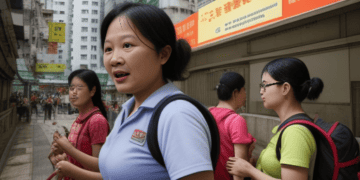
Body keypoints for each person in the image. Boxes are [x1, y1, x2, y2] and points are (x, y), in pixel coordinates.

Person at [55, 2, 215, 179]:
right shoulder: (128, 110)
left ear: (163, 54)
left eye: (127, 45)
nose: (114, 59)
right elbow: (115, 172)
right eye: (108, 49)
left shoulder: (177, 116)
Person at [226, 58, 323, 180]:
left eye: (265, 85)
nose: (261, 91)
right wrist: (257, 164)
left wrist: (249, 170)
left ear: (285, 88)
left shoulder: (295, 132)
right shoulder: (287, 126)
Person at [52, 69, 110, 180]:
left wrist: (68, 149)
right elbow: (78, 156)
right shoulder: (78, 120)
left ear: (92, 91)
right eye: (71, 88)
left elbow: (99, 167)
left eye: (79, 88)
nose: (74, 92)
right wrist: (62, 154)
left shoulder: (97, 121)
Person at [209, 72, 256, 180]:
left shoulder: (208, 114)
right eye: (244, 90)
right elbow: (239, 169)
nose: (245, 95)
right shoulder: (236, 121)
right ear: (235, 92)